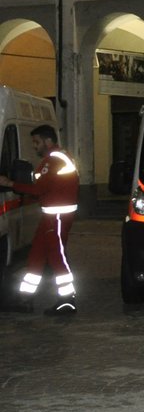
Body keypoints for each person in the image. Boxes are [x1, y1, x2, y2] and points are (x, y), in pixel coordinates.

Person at [0, 125, 78, 314]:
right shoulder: (57, 158)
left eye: (36, 142)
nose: (34, 146)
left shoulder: (53, 160)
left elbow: (39, 189)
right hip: (51, 216)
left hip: (57, 216)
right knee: (36, 256)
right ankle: (25, 298)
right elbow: (46, 189)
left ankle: (67, 300)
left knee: (57, 258)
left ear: (48, 141)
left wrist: (10, 184)